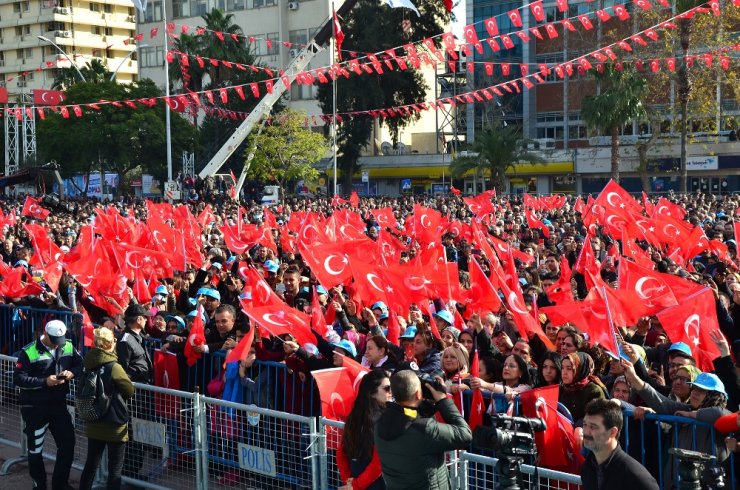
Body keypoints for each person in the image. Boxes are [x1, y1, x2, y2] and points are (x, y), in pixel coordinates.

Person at [13, 319, 83, 490]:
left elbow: (79, 365)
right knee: (35, 449)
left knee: (67, 444)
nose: (58, 345)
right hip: (35, 407)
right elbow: (18, 379)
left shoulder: (67, 345)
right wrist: (45, 382)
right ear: (45, 333)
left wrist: (71, 373)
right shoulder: (28, 352)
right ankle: (40, 485)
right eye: (54, 340)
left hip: (59, 405)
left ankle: (60, 484)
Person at [374, 370, 473, 490]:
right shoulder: (425, 429)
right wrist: (443, 400)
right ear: (417, 394)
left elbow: (408, 418)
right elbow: (465, 434)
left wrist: (426, 405)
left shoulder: (380, 423)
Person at [79, 328, 135, 490]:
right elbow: (129, 390)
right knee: (115, 469)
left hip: (93, 419)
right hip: (114, 423)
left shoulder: (87, 362)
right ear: (110, 343)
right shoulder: (113, 366)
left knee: (91, 464)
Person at [580, 399, 659, 490]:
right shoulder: (588, 468)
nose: (586, 432)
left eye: (593, 427)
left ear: (612, 432)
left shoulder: (636, 477)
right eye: (585, 424)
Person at [337, 369, 391, 490]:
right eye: (386, 388)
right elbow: (378, 464)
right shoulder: (383, 420)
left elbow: (341, 452)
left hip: (357, 482)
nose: (390, 392)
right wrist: (353, 484)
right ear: (372, 393)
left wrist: (349, 482)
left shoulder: (353, 416)